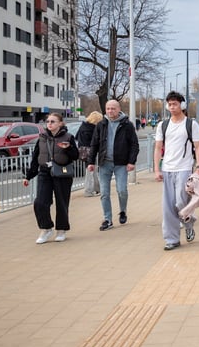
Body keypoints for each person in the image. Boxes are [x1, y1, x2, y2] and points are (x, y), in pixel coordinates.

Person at [154, 91, 199, 251]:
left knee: (180, 202)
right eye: (169, 104)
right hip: (167, 168)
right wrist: (157, 169)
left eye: (175, 104)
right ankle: (172, 239)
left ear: (182, 105)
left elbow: (198, 147)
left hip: (184, 168)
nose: (172, 107)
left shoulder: (191, 124)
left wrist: (198, 168)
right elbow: (157, 148)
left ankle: (189, 222)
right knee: (168, 206)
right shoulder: (163, 125)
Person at [22, 113, 80, 244]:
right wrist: (29, 176)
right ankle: (46, 228)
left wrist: (68, 148)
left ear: (60, 123)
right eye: (48, 121)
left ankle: (61, 229)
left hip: (61, 173)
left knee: (62, 202)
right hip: (44, 172)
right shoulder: (42, 138)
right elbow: (36, 157)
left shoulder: (68, 137)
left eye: (53, 121)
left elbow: (76, 156)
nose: (49, 124)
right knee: (40, 202)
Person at [87, 99, 140, 231]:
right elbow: (94, 144)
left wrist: (131, 162)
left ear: (119, 109)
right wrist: (91, 162)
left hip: (121, 164)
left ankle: (123, 211)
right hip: (105, 163)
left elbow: (134, 145)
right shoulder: (101, 125)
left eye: (113, 108)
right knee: (104, 193)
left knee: (121, 190)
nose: (110, 111)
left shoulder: (127, 125)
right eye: (108, 108)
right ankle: (107, 219)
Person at [76, 111, 102, 197]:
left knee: (92, 170)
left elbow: (76, 137)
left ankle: (98, 189)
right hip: (91, 151)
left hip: (82, 150)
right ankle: (88, 191)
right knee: (90, 171)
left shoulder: (83, 126)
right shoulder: (93, 128)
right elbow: (95, 141)